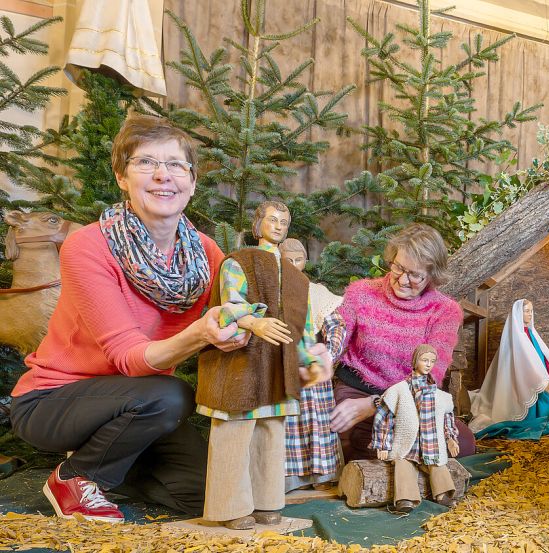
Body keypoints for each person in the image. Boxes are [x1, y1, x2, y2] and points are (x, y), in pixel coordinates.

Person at [9, 115, 245, 522]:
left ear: (192, 181)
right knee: (172, 394)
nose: (162, 176)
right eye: (145, 163)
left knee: (205, 496)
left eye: (175, 165)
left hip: (138, 406)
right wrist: (198, 334)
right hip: (52, 401)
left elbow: (245, 308)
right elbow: (129, 357)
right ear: (122, 177)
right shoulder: (89, 245)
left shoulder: (206, 254)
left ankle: (107, 469)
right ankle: (75, 474)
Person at [196, 201, 332, 530]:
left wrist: (310, 360)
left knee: (271, 434)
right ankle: (230, 507)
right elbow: (230, 304)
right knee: (235, 430)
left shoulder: (296, 278)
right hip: (241, 361)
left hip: (278, 364)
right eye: (272, 219)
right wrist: (254, 323)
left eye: (284, 221)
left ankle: (267, 502)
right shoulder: (238, 261)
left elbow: (301, 328)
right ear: (258, 224)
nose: (279, 225)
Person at [329, 224, 472, 461]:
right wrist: (323, 356)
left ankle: (381, 445)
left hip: (412, 400)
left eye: (415, 275)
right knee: (370, 441)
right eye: (399, 268)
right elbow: (337, 333)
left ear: (432, 275)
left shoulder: (444, 311)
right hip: (356, 393)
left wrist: (376, 405)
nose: (403, 280)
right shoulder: (361, 293)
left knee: (463, 443)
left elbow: (430, 377)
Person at [278, 238, 346, 493]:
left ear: (305, 261)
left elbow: (336, 324)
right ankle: (285, 479)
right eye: (288, 260)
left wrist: (328, 352)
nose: (294, 265)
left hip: (312, 366)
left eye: (298, 259)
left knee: (317, 421)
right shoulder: (274, 289)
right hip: (283, 364)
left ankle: (321, 474)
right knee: (286, 422)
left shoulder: (315, 292)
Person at [370, 344, 459, 513]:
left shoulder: (439, 395)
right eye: (424, 360)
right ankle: (405, 498)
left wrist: (450, 438)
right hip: (408, 443)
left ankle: (443, 494)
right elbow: (384, 417)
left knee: (437, 463)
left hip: (430, 441)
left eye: (432, 361)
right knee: (403, 464)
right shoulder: (399, 390)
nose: (428, 364)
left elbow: (447, 418)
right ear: (415, 361)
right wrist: (382, 444)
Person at [468, 299, 549, 439]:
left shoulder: (531, 335)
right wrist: (542, 384)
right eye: (527, 311)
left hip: (538, 383)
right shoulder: (514, 339)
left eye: (531, 311)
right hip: (520, 387)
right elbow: (523, 369)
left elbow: (545, 362)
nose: (530, 315)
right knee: (545, 407)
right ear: (518, 313)